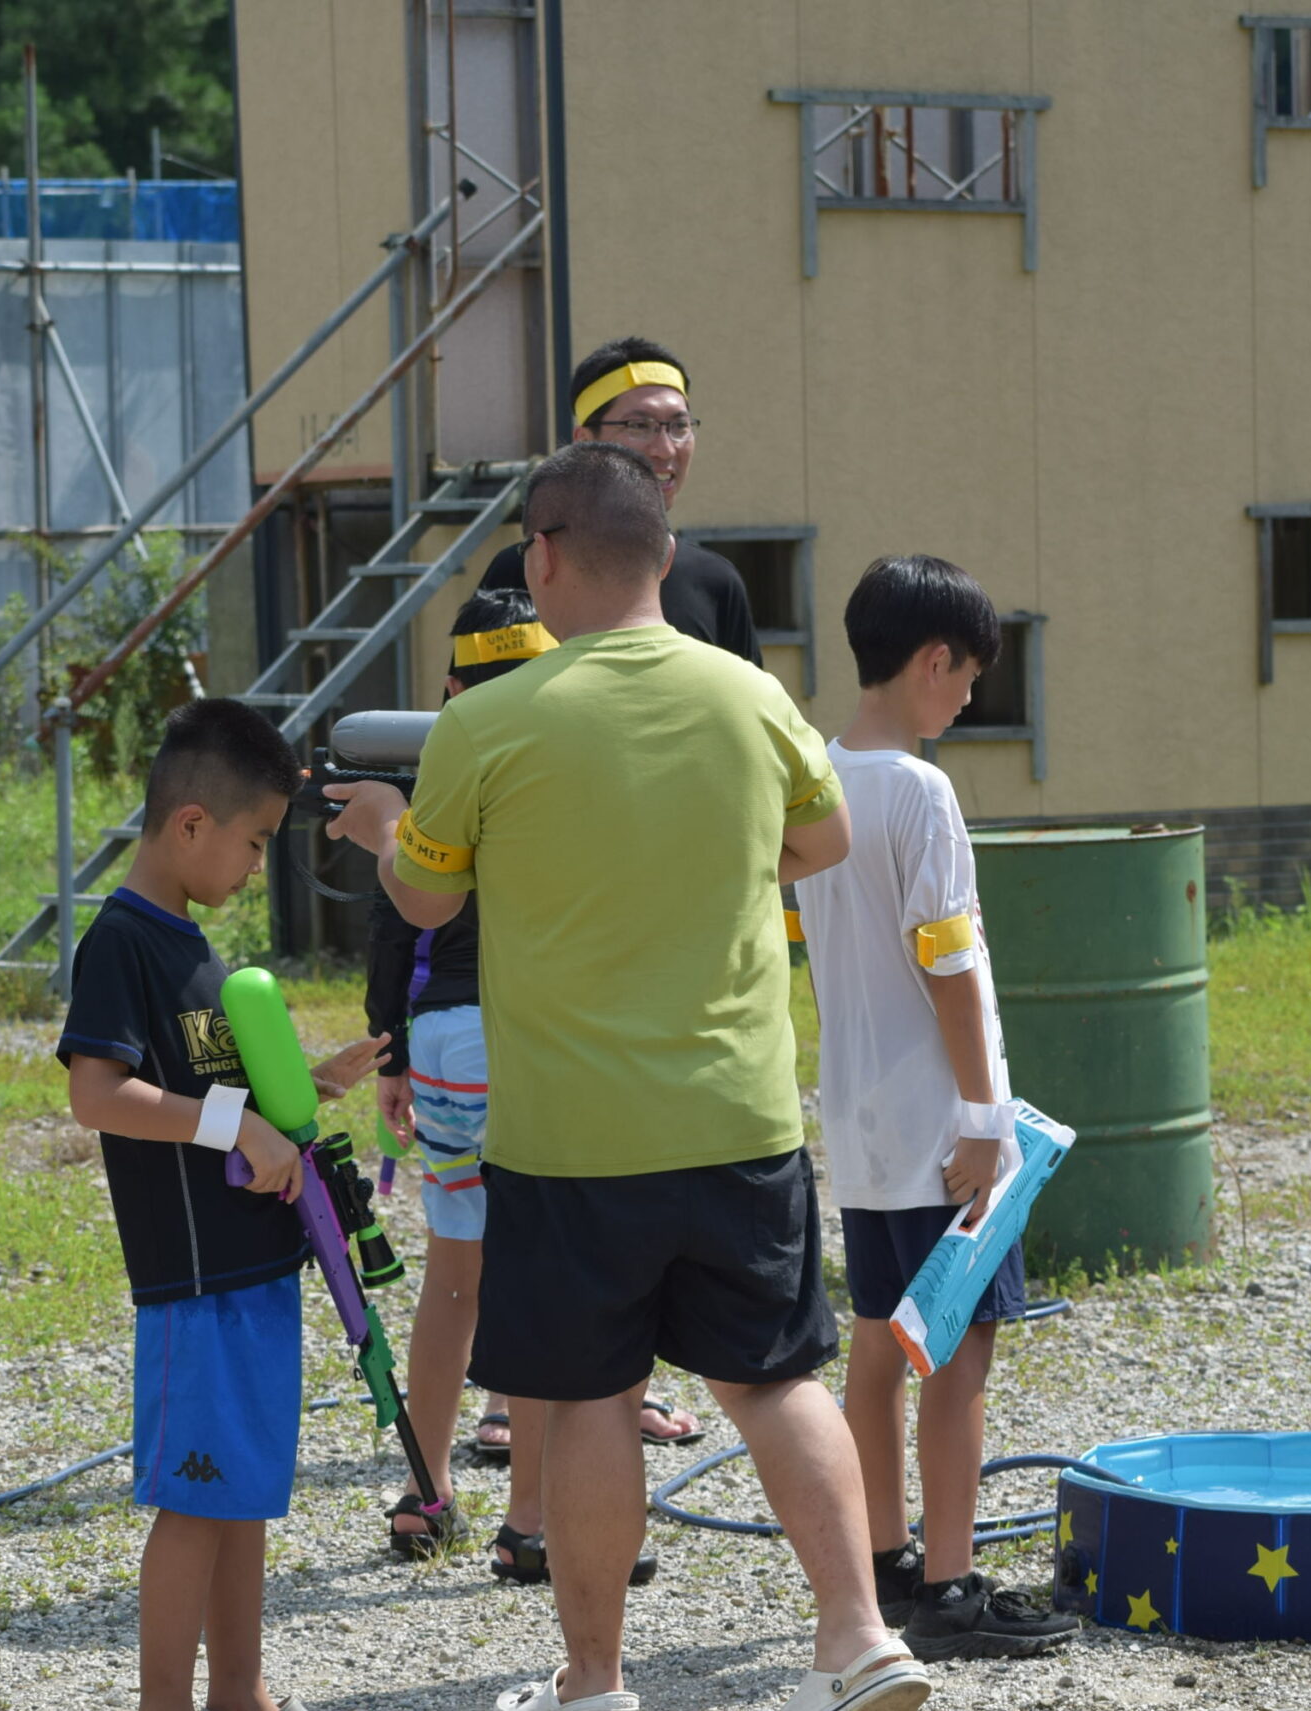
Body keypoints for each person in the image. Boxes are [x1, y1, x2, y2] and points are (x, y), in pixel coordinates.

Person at [329, 443, 930, 1711]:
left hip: (570, 1136)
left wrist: (384, 829)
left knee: (590, 1396)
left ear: (542, 555)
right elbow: (821, 838)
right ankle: (859, 1636)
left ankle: (596, 1683)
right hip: (739, 1114)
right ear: (662, 553)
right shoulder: (750, 696)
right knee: (773, 1380)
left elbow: (425, 897)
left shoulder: (490, 720)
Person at [58, 698, 390, 1711]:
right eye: (254, 841)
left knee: (245, 1496)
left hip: (255, 1268)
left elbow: (218, 1094)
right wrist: (232, 1124)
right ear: (191, 822)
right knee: (196, 1501)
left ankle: (239, 1693)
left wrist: (304, 1088)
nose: (256, 866)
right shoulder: (123, 943)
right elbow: (97, 1093)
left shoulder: (196, 949)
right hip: (195, 1285)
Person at [791, 556, 1080, 1661]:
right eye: (968, 677)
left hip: (862, 1117)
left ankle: (887, 1562)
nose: (968, 698)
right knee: (957, 1355)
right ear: (932, 659)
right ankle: (950, 1588)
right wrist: (984, 1116)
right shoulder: (921, 792)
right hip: (942, 1127)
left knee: (878, 1343)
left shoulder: (816, 777)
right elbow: (949, 963)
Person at [365, 586, 666, 1584]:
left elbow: (396, 919)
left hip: (442, 1038)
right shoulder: (566, 763)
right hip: (526, 1034)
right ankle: (529, 1518)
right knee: (540, 1275)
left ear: (450, 689)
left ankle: (426, 1490)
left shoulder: (440, 767)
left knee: (455, 1274)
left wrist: (391, 1053)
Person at [478, 333, 761, 669]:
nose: (665, 449)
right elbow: (472, 693)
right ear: (584, 441)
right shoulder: (524, 568)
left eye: (680, 426)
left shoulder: (714, 581)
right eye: (639, 425)